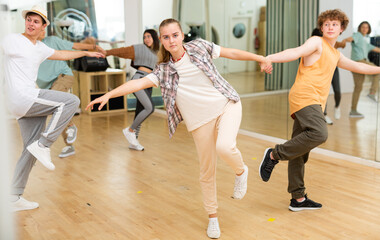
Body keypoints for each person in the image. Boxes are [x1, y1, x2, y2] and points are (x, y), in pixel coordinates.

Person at [86, 18, 272, 239]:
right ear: (161, 41)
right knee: (206, 172)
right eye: (166, 37)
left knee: (225, 147)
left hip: (226, 104)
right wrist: (107, 95)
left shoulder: (200, 47)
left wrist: (260, 58)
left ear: (182, 35)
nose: (171, 40)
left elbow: (231, 53)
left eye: (175, 35)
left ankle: (241, 171)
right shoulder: (163, 70)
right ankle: (213, 217)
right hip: (199, 122)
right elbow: (137, 83)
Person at [259, 9, 380, 212]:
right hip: (305, 97)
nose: (330, 27)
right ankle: (274, 155)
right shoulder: (316, 42)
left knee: (300, 151)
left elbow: (359, 67)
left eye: (335, 24)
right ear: (322, 27)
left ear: (342, 29)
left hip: (313, 101)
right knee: (319, 133)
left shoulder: (335, 54)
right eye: (326, 24)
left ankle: (297, 199)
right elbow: (295, 52)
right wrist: (269, 57)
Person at [1, 5, 104, 212]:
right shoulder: (12, 40)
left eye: (36, 21)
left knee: (29, 150)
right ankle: (45, 144)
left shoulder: (40, 47)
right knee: (71, 101)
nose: (31, 24)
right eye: (29, 20)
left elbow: (62, 54)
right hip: (24, 97)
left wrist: (86, 51)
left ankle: (13, 196)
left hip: (22, 104)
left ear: (43, 27)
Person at [36, 30, 105, 158]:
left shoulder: (51, 41)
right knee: (58, 111)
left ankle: (71, 126)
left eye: (43, 26)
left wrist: (94, 47)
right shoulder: (28, 47)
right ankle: (69, 145)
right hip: (48, 84)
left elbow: (74, 46)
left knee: (57, 103)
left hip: (63, 76)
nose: (43, 30)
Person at [102, 29, 160, 151]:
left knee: (140, 110)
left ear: (155, 37)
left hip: (149, 82)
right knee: (149, 108)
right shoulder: (140, 48)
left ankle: (133, 142)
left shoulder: (159, 52)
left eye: (149, 36)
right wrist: (106, 52)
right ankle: (130, 130)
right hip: (138, 79)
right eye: (144, 37)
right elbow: (122, 51)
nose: (146, 39)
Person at [344, 21, 380, 118]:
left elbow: (376, 49)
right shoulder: (358, 35)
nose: (365, 29)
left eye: (367, 27)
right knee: (377, 71)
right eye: (363, 27)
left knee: (358, 88)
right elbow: (350, 39)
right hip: (360, 62)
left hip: (355, 64)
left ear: (368, 30)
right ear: (360, 28)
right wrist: (344, 41)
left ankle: (353, 110)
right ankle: (372, 93)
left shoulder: (364, 41)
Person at [311, 28, 346, 124]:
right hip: (322, 71)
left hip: (333, 69)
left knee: (337, 91)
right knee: (323, 93)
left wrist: (344, 41)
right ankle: (324, 115)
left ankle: (337, 106)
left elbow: (342, 45)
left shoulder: (331, 43)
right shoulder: (312, 46)